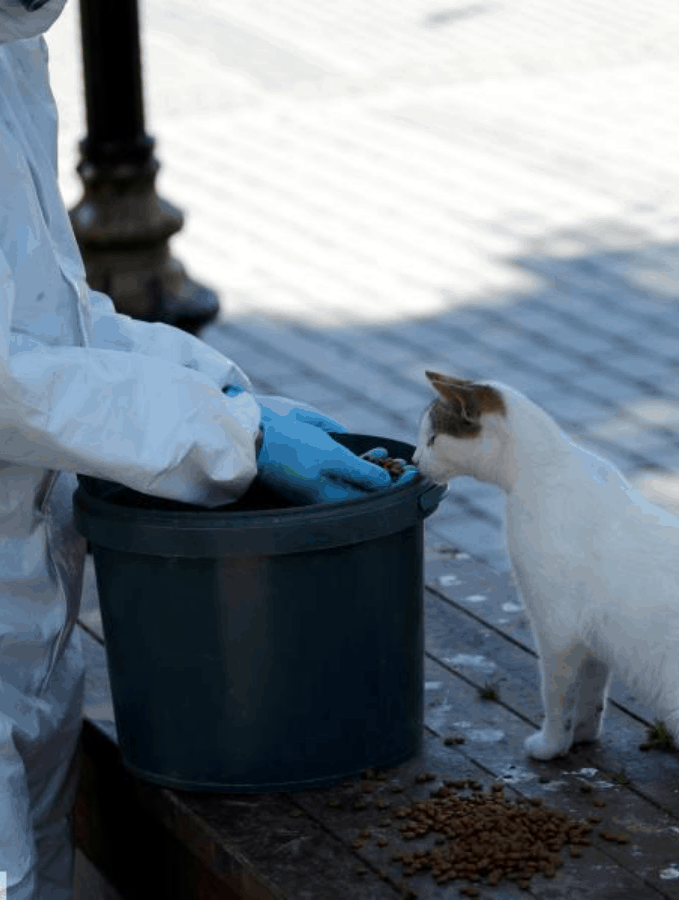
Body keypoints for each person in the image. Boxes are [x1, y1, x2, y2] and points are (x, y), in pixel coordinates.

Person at [1, 2, 413, 895]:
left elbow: (52, 321)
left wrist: (229, 392)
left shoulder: (9, 56)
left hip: (27, 621)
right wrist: (229, 436)